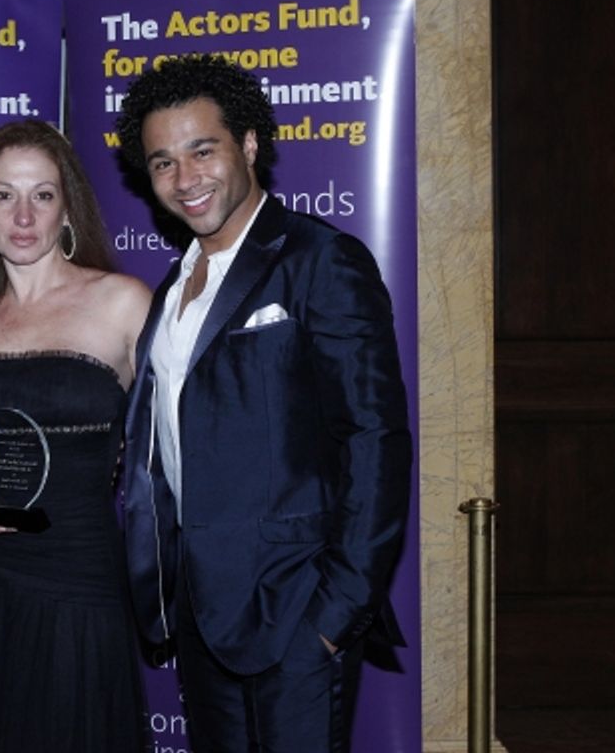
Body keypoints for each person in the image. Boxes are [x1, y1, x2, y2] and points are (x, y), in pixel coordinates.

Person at [114, 54, 412, 751]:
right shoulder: (173, 286)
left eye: (202, 150)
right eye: (161, 162)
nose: (184, 178)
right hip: (201, 615)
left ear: (249, 144)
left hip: (296, 613)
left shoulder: (320, 260)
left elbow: (374, 438)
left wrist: (336, 614)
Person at [0, 120, 152, 753]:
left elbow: (183, 447)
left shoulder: (123, 303)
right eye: (3, 195)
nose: (23, 215)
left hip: (78, 579)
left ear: (67, 207)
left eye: (42, 195)